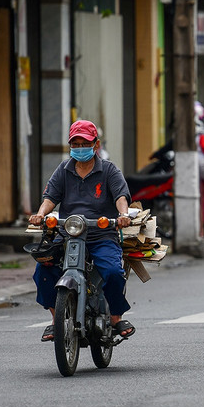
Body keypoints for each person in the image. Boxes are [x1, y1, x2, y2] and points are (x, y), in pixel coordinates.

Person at [29, 120, 134, 341]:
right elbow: (50, 197)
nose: (79, 148)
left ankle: (115, 317)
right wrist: (40, 214)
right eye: (74, 144)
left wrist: (123, 216)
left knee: (114, 272)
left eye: (83, 143)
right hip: (69, 234)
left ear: (95, 145)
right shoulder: (64, 169)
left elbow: (120, 197)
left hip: (101, 235)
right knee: (43, 271)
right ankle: (56, 318)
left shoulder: (109, 170)